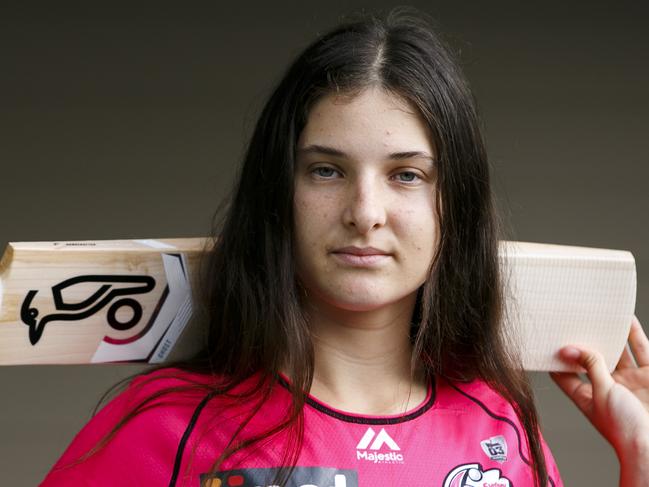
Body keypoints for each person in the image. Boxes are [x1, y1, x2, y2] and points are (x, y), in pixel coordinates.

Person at [40, 7, 648, 487]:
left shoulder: (502, 429)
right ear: (279, 191)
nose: (365, 213)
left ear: (453, 205)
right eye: (326, 171)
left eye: (407, 175)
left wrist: (642, 460)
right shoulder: (164, 424)